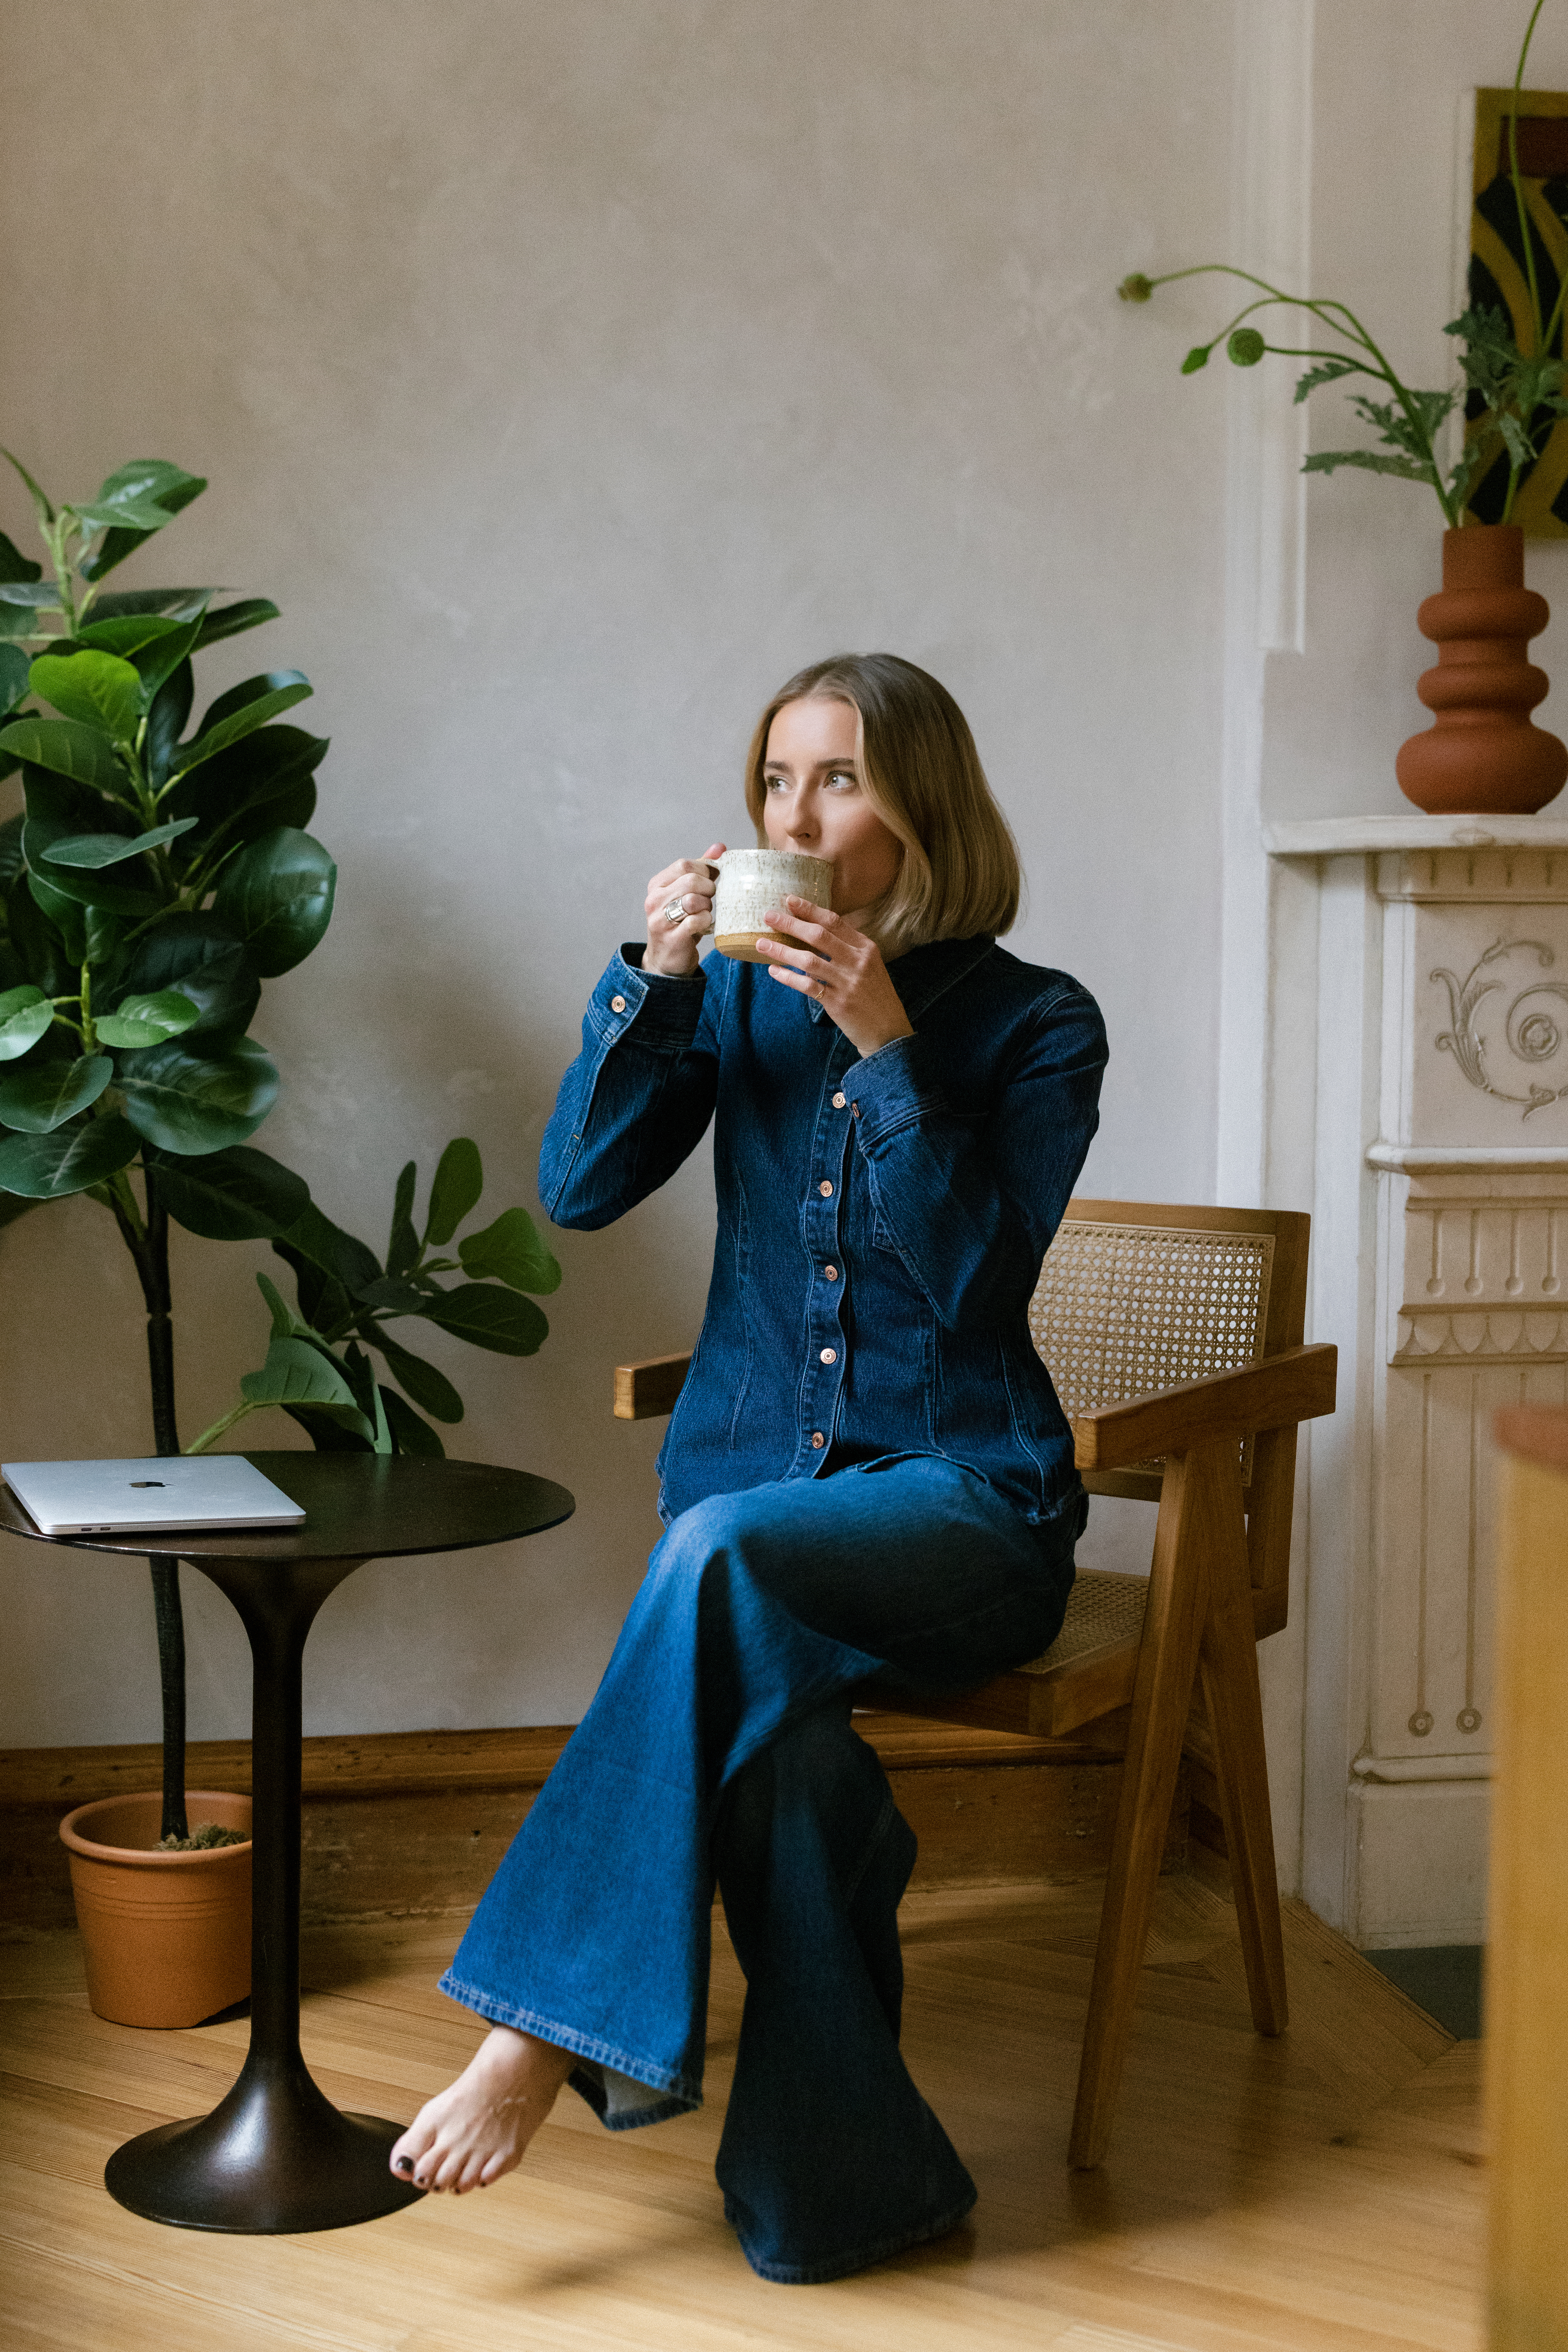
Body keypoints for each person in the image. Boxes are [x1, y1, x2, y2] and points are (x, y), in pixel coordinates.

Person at [390, 653, 1107, 2283]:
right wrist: (650, 981)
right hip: (762, 1520)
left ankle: (543, 2031)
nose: (796, 814)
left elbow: (978, 1291)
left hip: (969, 1508)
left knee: (717, 1556)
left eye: (837, 779)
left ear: (920, 806)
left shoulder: (1037, 1023)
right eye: (775, 784)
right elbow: (578, 1188)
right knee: (784, 1768)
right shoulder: (725, 990)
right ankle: (846, 2193)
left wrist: (882, 1046)